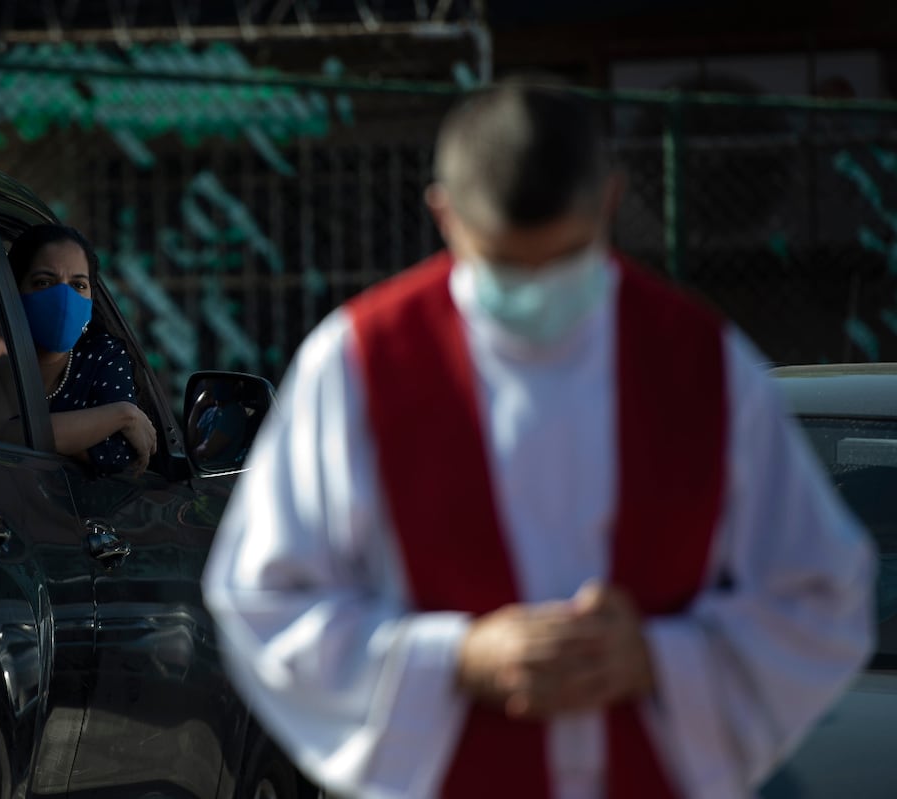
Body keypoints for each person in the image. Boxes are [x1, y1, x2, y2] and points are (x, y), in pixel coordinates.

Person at [201, 77, 875, 799]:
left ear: (612, 203)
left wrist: (658, 659)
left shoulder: (702, 364)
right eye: (506, 263)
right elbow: (262, 594)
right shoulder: (360, 367)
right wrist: (454, 658)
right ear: (444, 215)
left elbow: (825, 595)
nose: (537, 287)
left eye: (565, 257)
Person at [8, 224, 156, 476]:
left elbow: (120, 453)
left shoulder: (102, 355)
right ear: (14, 288)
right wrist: (123, 415)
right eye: (44, 282)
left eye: (78, 285)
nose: (63, 298)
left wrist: (29, 434)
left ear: (91, 298)